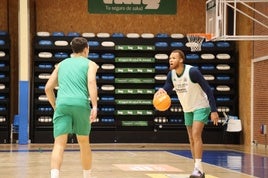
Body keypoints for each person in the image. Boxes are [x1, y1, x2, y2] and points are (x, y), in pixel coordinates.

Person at [154, 49, 219, 178]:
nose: (171, 60)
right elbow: (168, 86)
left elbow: (208, 89)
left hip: (201, 106)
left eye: (174, 58)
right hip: (187, 108)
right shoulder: (171, 75)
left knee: (196, 134)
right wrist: (162, 90)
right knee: (191, 138)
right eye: (170, 58)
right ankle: (197, 168)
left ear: (181, 60)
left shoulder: (192, 72)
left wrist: (214, 110)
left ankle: (198, 169)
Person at [45, 37, 99, 178]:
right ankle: (86, 176)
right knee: (84, 143)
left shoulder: (61, 64)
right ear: (86, 49)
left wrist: (55, 106)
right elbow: (91, 82)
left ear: (73, 50)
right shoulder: (90, 64)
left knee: (59, 144)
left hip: (62, 104)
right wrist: (94, 106)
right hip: (81, 104)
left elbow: (47, 88)